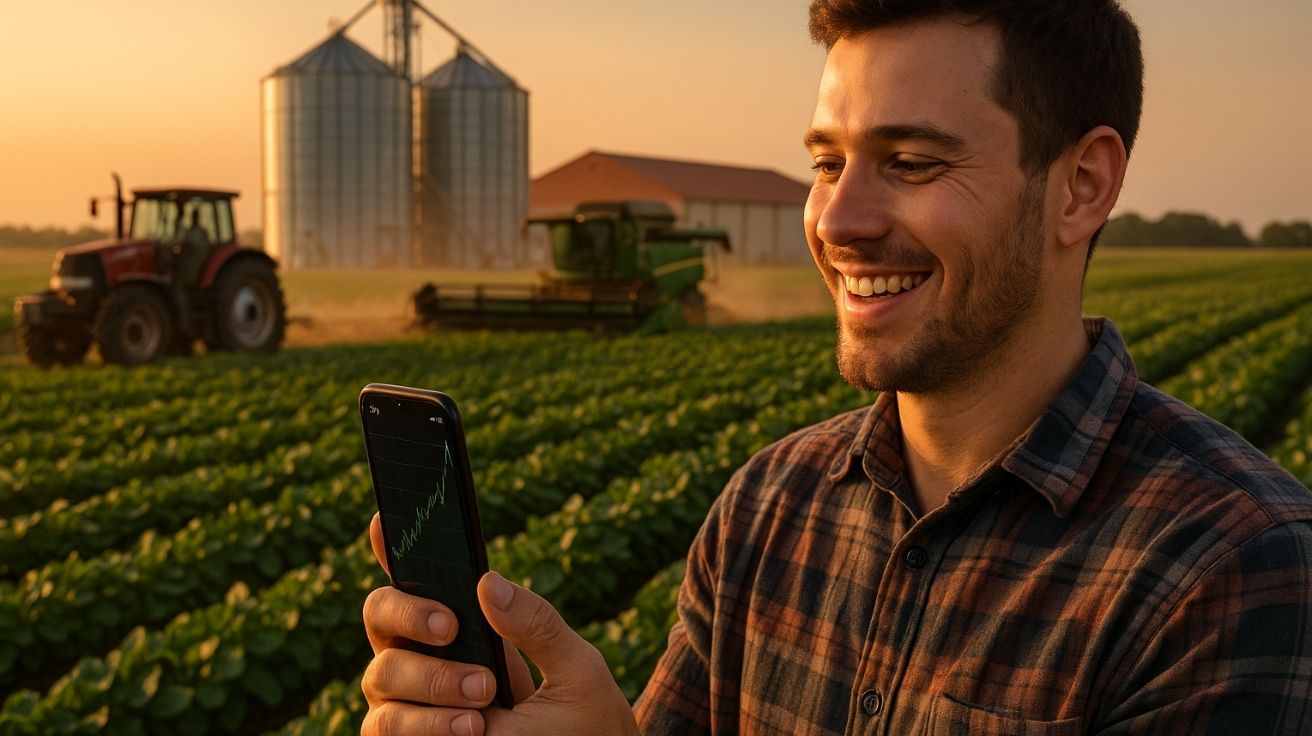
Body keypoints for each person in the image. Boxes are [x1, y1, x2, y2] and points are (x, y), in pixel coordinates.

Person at [359, 1, 1312, 733]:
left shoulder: (1231, 564)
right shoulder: (769, 506)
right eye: (827, 162)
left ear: (1082, 186)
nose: (839, 220)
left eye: (911, 162)